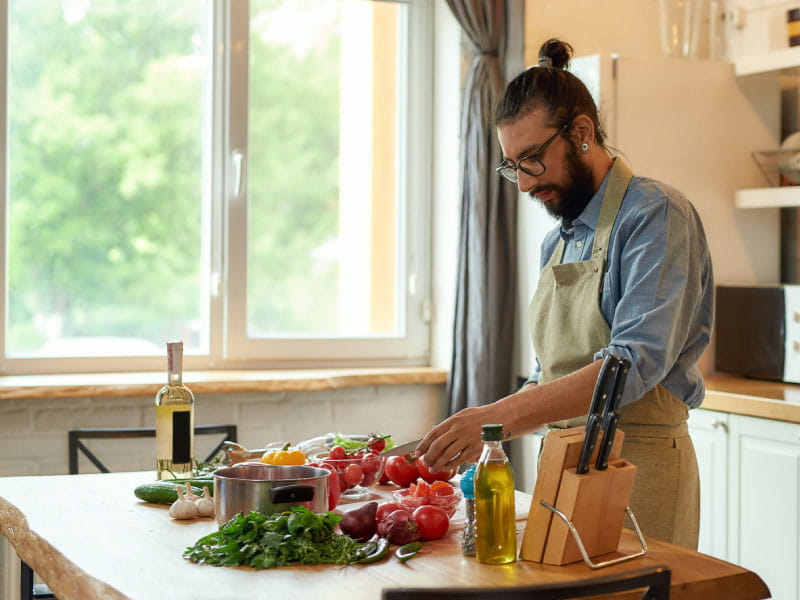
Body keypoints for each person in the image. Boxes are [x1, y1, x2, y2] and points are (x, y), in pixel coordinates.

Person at [417, 39, 713, 549]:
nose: (524, 186)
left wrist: (495, 416)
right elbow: (549, 376)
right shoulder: (560, 239)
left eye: (532, 159)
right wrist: (484, 434)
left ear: (581, 132)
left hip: (639, 464)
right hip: (561, 465)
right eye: (512, 166)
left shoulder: (655, 214)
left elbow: (631, 364)